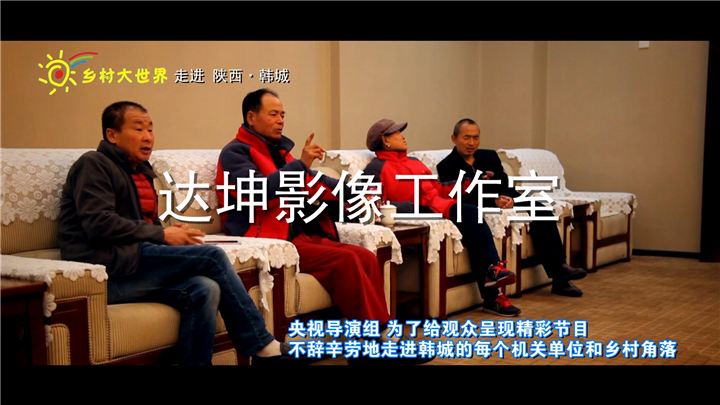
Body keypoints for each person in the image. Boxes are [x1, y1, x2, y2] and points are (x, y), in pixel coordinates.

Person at [58, 101, 300, 366]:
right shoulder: (94, 164)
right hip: (105, 272)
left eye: (150, 129)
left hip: (131, 265)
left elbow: (138, 227)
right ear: (112, 135)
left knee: (204, 288)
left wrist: (168, 234)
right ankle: (261, 345)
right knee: (212, 257)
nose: (148, 137)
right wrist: (162, 236)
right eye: (138, 129)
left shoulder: (139, 171)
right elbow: (99, 224)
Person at [217, 89, 431, 365]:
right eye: (273, 114)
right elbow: (257, 192)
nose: (281, 120)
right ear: (251, 117)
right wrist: (300, 164)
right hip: (270, 239)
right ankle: (371, 347)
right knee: (346, 261)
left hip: (300, 234)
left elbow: (314, 181)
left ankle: (377, 339)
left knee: (365, 257)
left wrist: (354, 192)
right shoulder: (235, 153)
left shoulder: (279, 152)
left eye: (283, 114)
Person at [363, 119, 521, 317]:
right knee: (469, 212)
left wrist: (470, 182)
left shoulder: (415, 162)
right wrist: (414, 207)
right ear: (385, 140)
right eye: (397, 134)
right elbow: (374, 204)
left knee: (473, 226)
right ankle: (493, 279)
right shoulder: (375, 169)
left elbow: (438, 189)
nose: (403, 137)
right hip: (418, 215)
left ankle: (493, 284)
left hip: (440, 209)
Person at [436, 118, 587, 297]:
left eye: (476, 138)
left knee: (541, 209)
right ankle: (559, 278)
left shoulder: (489, 156)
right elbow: (458, 196)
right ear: (454, 138)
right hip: (477, 205)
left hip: (505, 198)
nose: (471, 143)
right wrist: (493, 200)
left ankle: (560, 271)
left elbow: (505, 184)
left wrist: (511, 200)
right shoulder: (446, 166)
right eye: (466, 137)